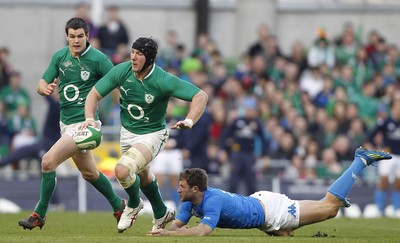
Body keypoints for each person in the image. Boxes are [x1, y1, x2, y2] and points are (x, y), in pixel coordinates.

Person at [81, 37, 208, 233]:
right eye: (132, 52)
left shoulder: (162, 79)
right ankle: (161, 212)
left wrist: (190, 120)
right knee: (144, 175)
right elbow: (93, 94)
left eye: (139, 54)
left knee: (122, 171)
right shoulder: (122, 71)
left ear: (149, 59)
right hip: (127, 132)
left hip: (153, 134)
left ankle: (133, 204)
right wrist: (89, 118)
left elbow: (200, 96)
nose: (133, 57)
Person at [18, 17, 125, 230]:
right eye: (72, 36)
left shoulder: (98, 59)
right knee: (90, 174)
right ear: (67, 37)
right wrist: (43, 88)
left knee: (48, 161)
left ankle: (39, 213)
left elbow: (118, 81)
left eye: (80, 36)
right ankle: (118, 205)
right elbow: (42, 82)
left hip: (86, 125)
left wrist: (121, 100)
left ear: (87, 37)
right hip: (66, 125)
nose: (76, 40)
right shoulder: (60, 56)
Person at [147, 147, 391, 237]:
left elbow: (202, 232)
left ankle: (360, 160)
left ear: (195, 188)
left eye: (182, 186)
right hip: (263, 211)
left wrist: (167, 235)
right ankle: (337, 197)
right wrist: (167, 231)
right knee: (299, 225)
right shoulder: (191, 201)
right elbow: (179, 226)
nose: (178, 189)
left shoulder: (212, 200)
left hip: (271, 211)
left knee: (329, 208)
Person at [368, 98, 400, 217]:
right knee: (383, 181)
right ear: (392, 109)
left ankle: (397, 208)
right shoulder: (386, 122)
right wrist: (378, 146)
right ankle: (379, 208)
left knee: (398, 183)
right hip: (388, 156)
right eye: (397, 107)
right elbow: (371, 135)